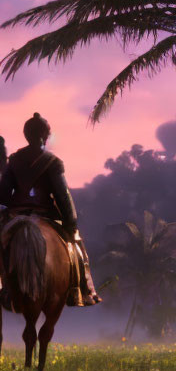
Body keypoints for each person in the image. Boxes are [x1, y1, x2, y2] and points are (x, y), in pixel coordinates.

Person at [0, 113, 101, 309]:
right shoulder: (53, 162)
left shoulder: (14, 160)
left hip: (15, 214)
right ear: (45, 135)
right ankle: (80, 290)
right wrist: (71, 223)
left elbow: (3, 193)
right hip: (46, 214)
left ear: (27, 135)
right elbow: (63, 195)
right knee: (77, 248)